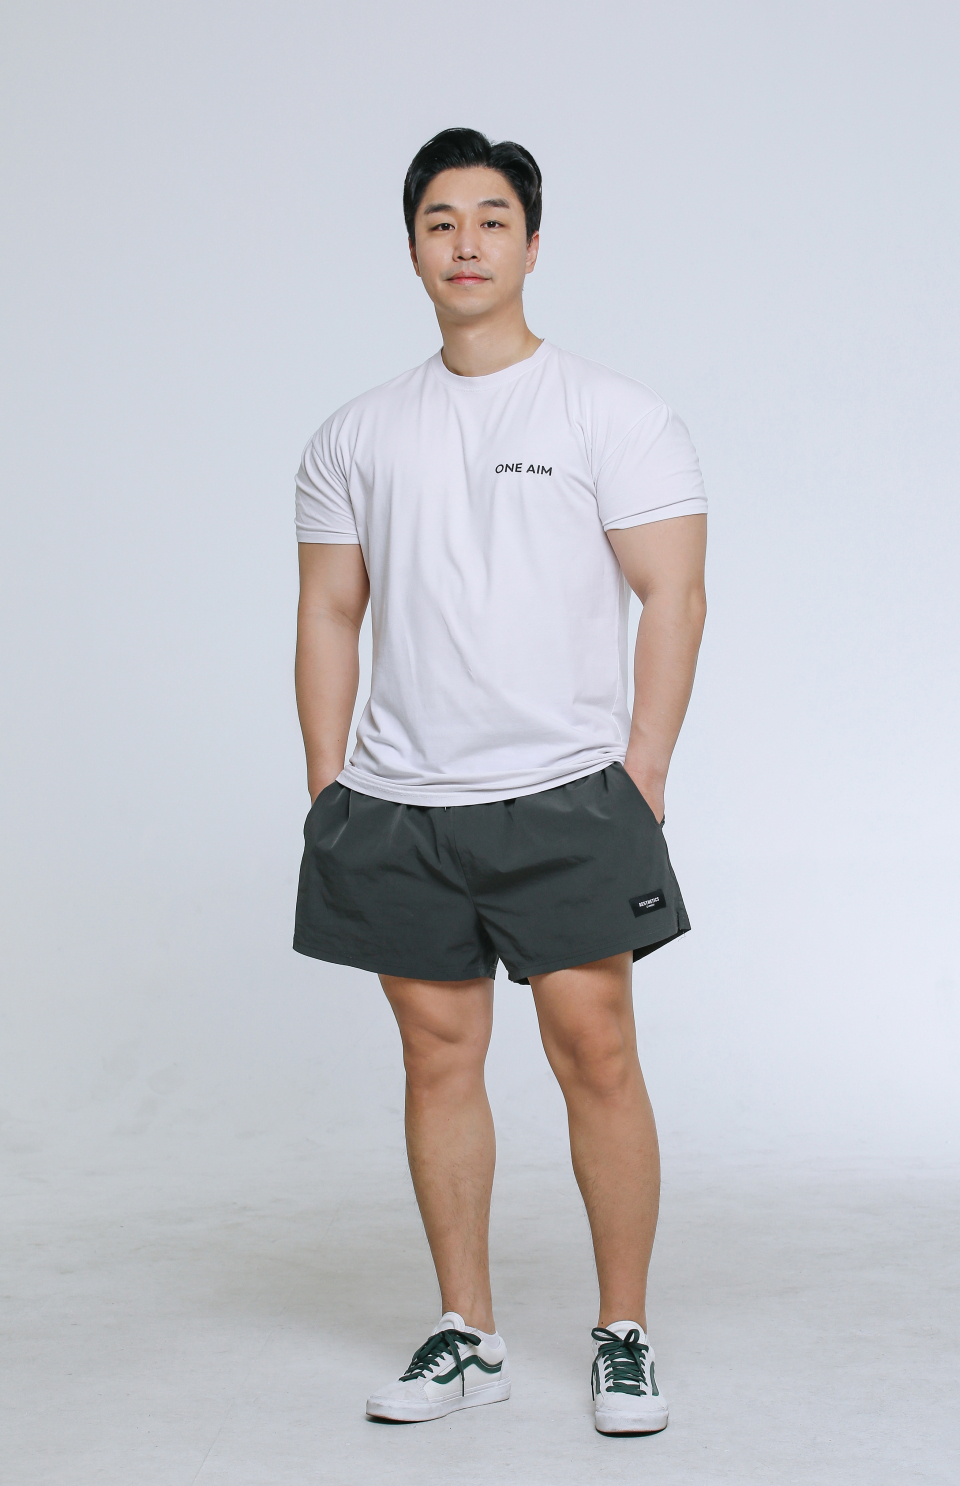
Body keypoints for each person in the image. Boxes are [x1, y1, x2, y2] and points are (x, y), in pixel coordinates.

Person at [293, 127, 707, 1436]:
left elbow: (674, 592)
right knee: (437, 1058)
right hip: (399, 803)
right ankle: (466, 1333)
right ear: (412, 248)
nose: (465, 244)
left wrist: (643, 772)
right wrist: (329, 786)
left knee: (598, 1051)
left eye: (490, 221)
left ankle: (624, 1330)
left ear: (531, 244)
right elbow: (329, 612)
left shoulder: (614, 415)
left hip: (566, 796)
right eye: (440, 222)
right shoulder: (356, 432)